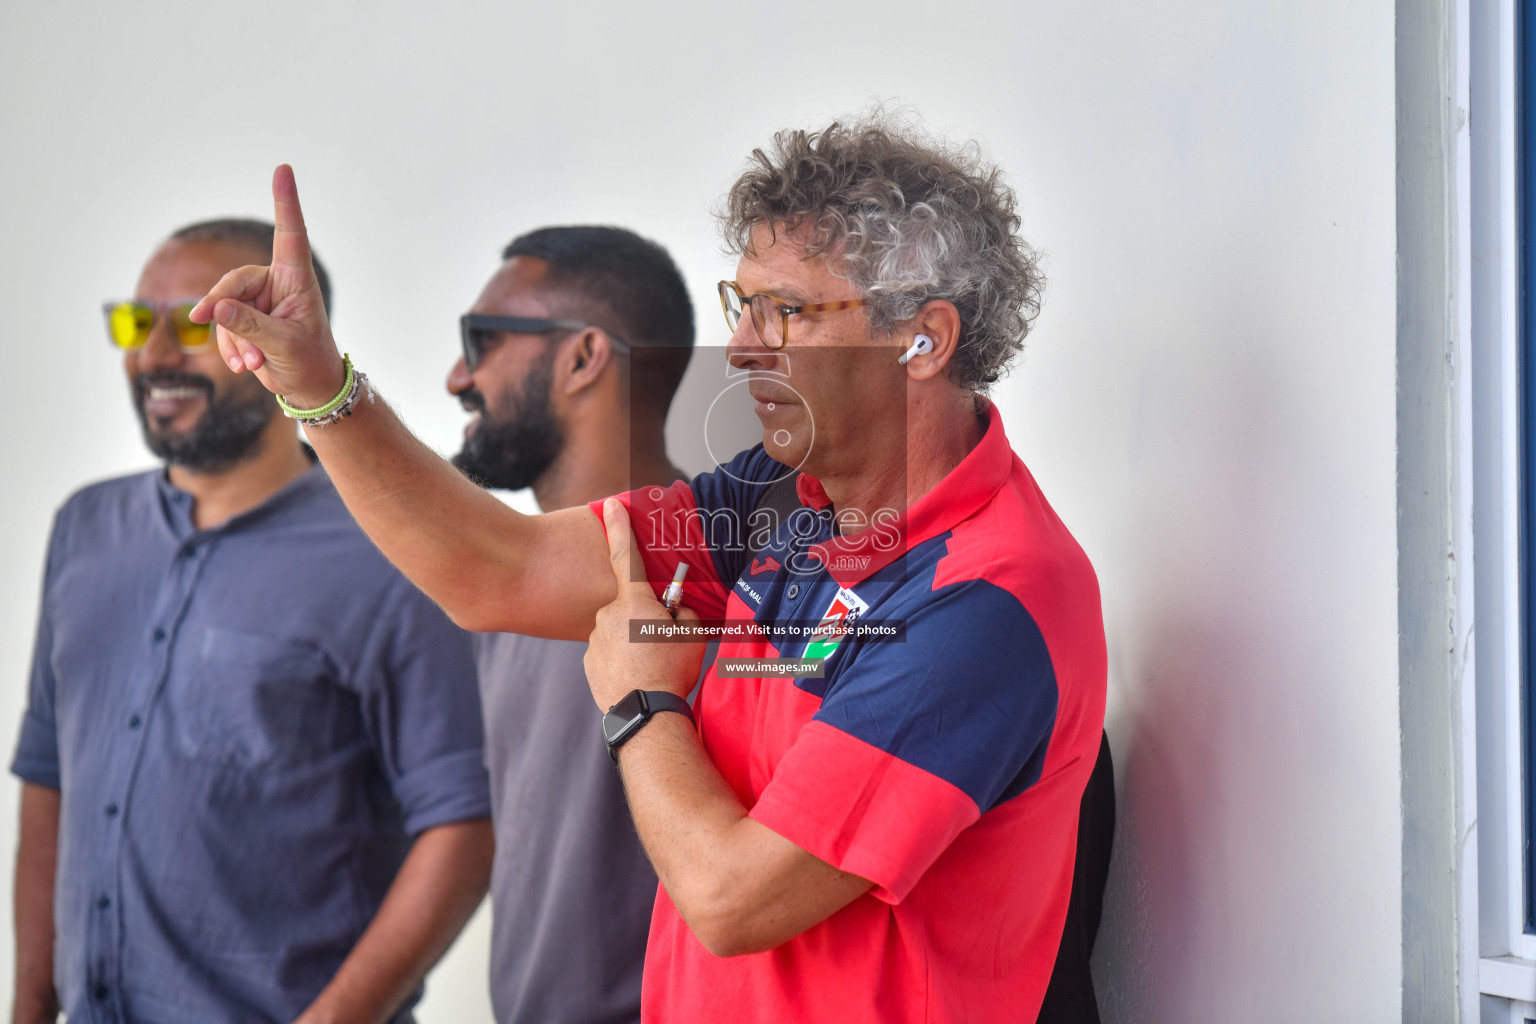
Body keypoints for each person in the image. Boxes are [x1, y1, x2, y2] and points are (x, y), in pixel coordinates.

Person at [192, 112, 1107, 1023]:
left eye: (786, 310)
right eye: (739, 304)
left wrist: (640, 703)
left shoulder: (987, 597)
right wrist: (315, 385)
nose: (745, 346)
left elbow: (733, 899)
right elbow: (495, 572)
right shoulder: (779, 497)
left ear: (924, 340)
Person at [11, 219, 494, 1024]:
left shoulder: (387, 551)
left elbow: (463, 824)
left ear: (279, 342)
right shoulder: (85, 530)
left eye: (195, 326)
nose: (155, 356)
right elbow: (47, 780)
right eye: (137, 323)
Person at [447, 225, 693, 1024]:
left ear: (584, 357)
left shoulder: (713, 583)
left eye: (481, 340)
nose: (458, 376)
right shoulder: (493, 601)